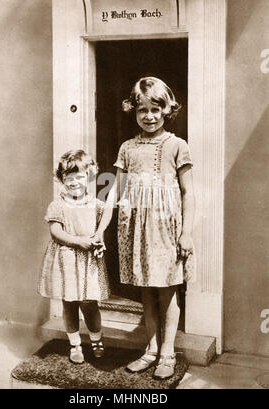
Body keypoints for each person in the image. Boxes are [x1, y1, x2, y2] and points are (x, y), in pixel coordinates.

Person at [93, 77, 195, 379]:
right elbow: (113, 190)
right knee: (147, 293)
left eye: (155, 109)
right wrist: (100, 229)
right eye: (142, 110)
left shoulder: (177, 145)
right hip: (135, 228)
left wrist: (186, 232)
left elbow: (189, 192)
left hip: (166, 228)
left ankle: (167, 353)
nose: (149, 116)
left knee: (168, 290)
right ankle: (150, 350)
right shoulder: (126, 147)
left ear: (167, 110)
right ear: (133, 111)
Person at [38, 150, 110, 364]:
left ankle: (96, 339)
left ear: (89, 177)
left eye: (79, 177)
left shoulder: (95, 204)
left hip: (88, 261)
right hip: (66, 259)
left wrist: (99, 242)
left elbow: (101, 227)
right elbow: (56, 233)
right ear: (61, 179)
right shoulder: (57, 205)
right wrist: (80, 241)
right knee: (69, 303)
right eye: (68, 178)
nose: (74, 182)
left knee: (89, 303)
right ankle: (75, 344)